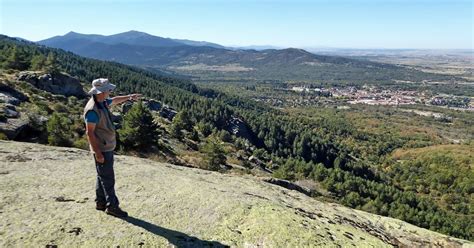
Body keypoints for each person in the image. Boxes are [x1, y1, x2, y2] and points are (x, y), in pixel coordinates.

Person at [83, 78, 141, 218]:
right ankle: (112, 207)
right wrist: (97, 153)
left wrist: (129, 97)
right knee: (108, 178)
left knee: (102, 175)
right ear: (101, 92)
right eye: (108, 89)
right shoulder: (93, 110)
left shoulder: (101, 102)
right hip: (102, 148)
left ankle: (100, 202)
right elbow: (89, 132)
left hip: (106, 145)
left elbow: (114, 100)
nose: (110, 91)